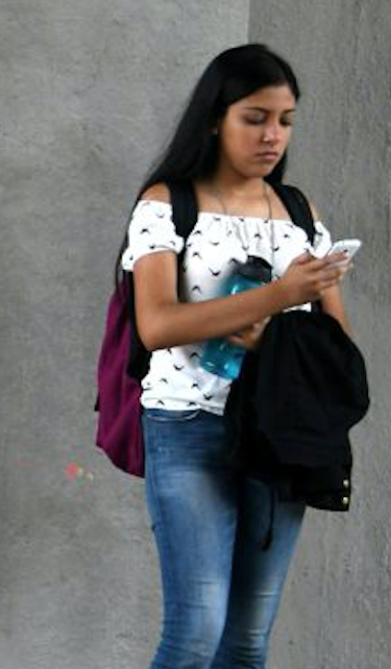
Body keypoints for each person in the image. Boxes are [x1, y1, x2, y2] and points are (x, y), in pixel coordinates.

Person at [118, 44, 353, 669]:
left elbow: (337, 350)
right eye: (256, 117)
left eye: (285, 120)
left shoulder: (301, 214)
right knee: (197, 628)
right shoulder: (168, 202)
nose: (273, 135)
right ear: (216, 118)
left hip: (279, 433)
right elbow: (156, 324)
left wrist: (277, 334)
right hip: (188, 427)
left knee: (247, 641)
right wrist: (278, 296)